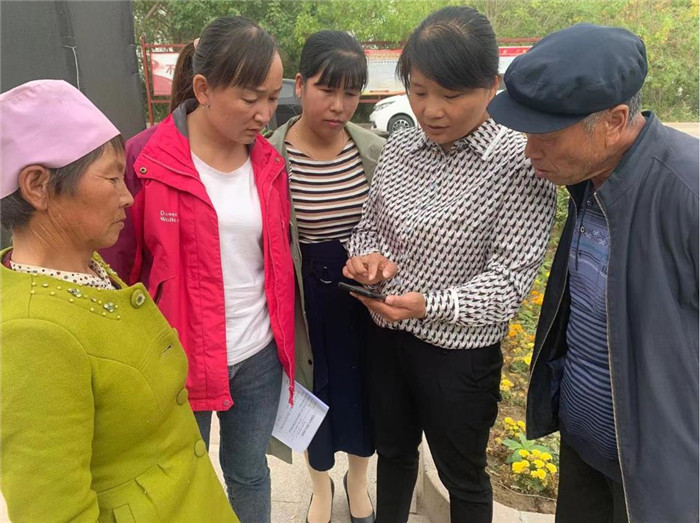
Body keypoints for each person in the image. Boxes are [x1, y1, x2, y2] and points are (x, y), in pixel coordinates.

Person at [343, 6, 557, 523]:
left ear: (491, 87)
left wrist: (427, 305)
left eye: (451, 95)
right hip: (386, 339)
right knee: (394, 454)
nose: (431, 110)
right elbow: (370, 226)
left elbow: (507, 284)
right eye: (418, 92)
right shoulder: (401, 146)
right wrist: (367, 261)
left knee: (463, 476)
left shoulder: (519, 163)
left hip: (458, 357)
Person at [487, 23, 699, 523]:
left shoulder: (686, 192)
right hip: (585, 452)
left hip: (657, 475)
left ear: (615, 120)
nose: (529, 151)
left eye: (546, 136)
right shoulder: (590, 182)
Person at [0, 79, 238, 522]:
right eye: (111, 178)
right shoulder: (31, 335)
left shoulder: (85, 267)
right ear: (38, 186)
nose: (127, 195)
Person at [101, 16, 295, 523]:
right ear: (204, 89)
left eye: (272, 98)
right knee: (179, 479)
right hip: (176, 356)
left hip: (257, 355)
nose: (265, 114)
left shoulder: (269, 162)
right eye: (250, 99)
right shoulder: (146, 159)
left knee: (250, 473)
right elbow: (118, 268)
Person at [268, 30, 385, 523]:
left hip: (362, 298)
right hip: (304, 298)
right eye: (326, 89)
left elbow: (391, 228)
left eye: (351, 93)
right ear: (300, 85)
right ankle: (320, 485)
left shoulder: (374, 151)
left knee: (365, 392)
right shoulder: (270, 156)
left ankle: (358, 480)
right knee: (310, 391)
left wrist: (378, 262)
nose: (339, 105)